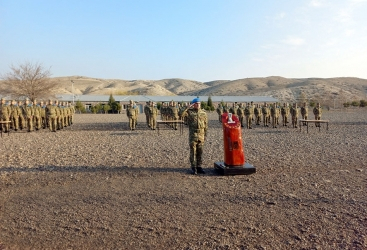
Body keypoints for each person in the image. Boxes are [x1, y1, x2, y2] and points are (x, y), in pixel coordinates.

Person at [182, 97, 208, 175]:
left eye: (199, 103)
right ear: (193, 104)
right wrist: (187, 107)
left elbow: (206, 125)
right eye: (196, 104)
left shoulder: (203, 113)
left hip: (201, 135)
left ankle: (199, 166)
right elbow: (181, 114)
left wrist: (205, 135)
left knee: (200, 151)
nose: (198, 105)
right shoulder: (189, 112)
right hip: (193, 135)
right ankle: (193, 167)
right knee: (193, 151)